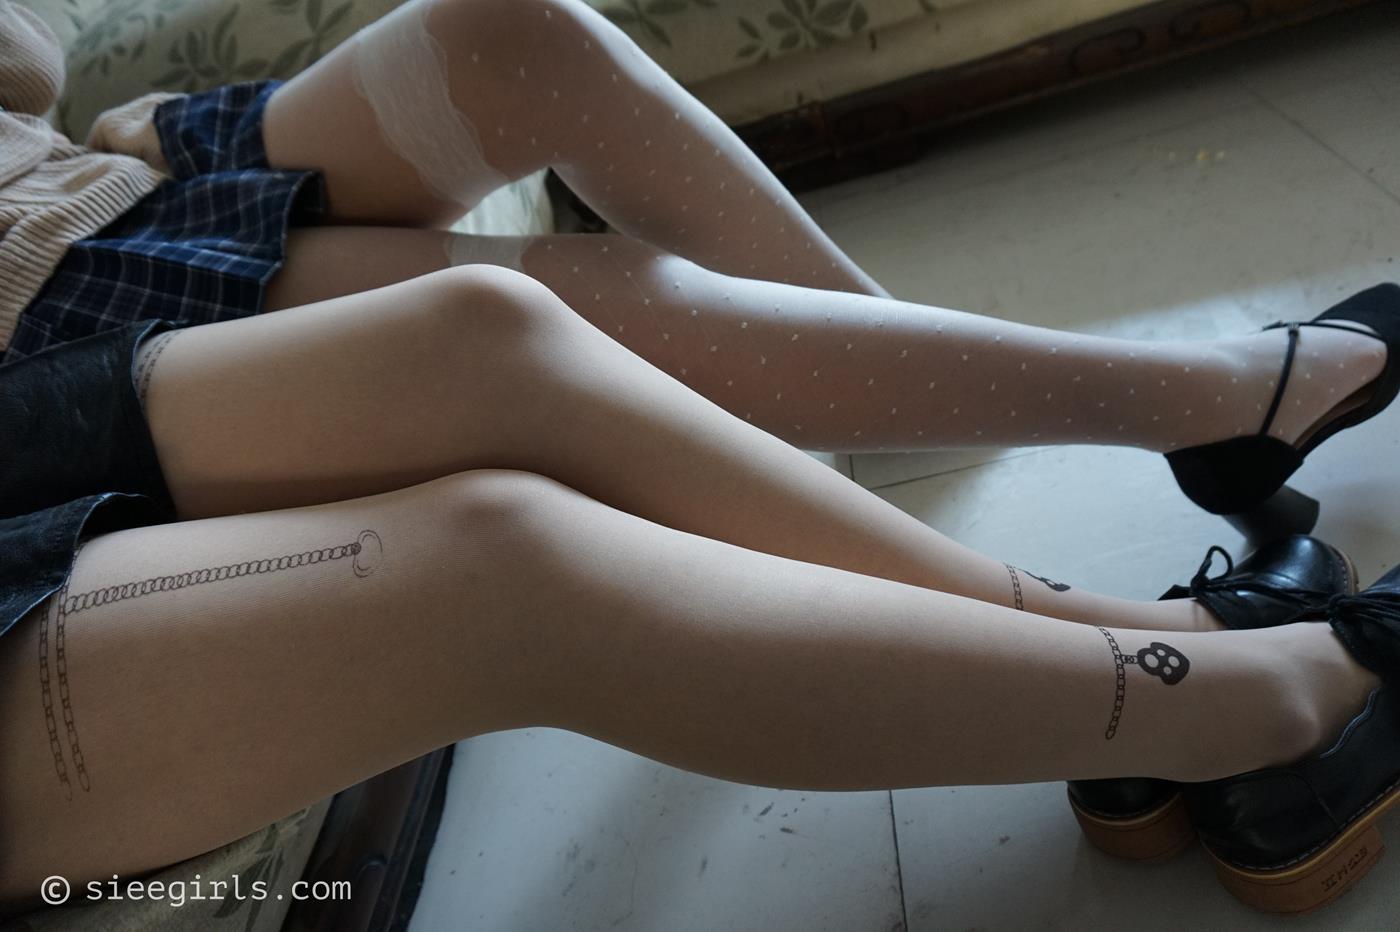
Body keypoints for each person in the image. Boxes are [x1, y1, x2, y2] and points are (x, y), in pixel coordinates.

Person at [1, 0, 1397, 918]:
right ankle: (1256, 693)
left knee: (497, 209)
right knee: (508, 551)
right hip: (41, 327)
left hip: (67, 209)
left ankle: (1155, 591)